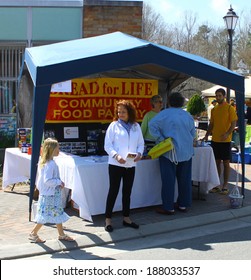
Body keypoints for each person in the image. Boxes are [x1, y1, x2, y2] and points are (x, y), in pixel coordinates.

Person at [149, 92, 195, 214]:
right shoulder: (187, 115)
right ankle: (183, 205)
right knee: (185, 180)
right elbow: (193, 134)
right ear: (182, 103)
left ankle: (168, 207)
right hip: (186, 152)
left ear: (168, 102)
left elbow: (151, 125)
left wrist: (161, 139)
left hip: (169, 151)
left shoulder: (163, 114)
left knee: (168, 180)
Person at [104, 100, 144, 232]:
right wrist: (116, 156)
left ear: (130, 112)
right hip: (116, 164)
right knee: (113, 191)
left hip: (131, 164)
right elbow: (107, 145)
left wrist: (139, 153)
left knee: (127, 192)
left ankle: (126, 218)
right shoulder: (113, 126)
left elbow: (141, 144)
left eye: (123, 112)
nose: (120, 114)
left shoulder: (136, 126)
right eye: (118, 111)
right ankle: (108, 219)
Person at [29, 138, 74, 243]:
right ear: (52, 149)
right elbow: (47, 180)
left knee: (56, 212)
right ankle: (33, 233)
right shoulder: (50, 164)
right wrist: (59, 182)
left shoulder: (46, 162)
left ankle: (61, 234)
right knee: (46, 215)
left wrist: (58, 183)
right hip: (50, 194)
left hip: (49, 193)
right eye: (57, 147)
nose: (59, 149)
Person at [204, 88, 238, 195]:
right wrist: (206, 135)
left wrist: (227, 133)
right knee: (217, 162)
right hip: (215, 140)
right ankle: (217, 185)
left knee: (226, 163)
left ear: (224, 96)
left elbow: (234, 123)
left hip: (226, 140)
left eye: (219, 95)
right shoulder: (214, 109)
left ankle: (225, 185)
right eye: (216, 95)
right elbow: (212, 124)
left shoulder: (229, 108)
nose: (218, 97)